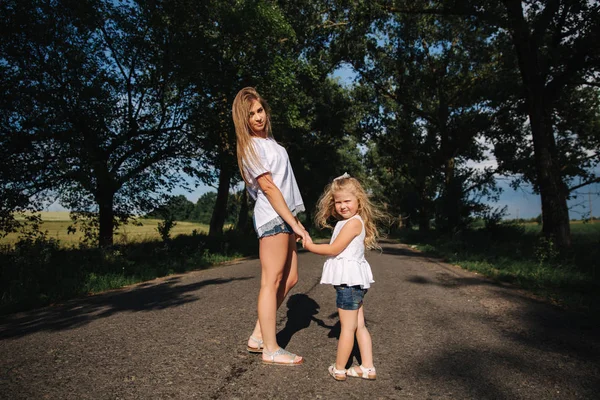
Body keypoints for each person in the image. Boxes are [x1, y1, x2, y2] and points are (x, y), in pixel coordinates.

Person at [232, 87, 311, 366]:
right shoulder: (251, 147)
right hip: (273, 217)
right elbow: (268, 187)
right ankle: (270, 348)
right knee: (271, 280)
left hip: (285, 216)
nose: (257, 117)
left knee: (290, 279)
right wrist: (293, 224)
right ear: (244, 120)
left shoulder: (272, 143)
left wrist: (296, 222)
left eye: (259, 110)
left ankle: (257, 336)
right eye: (251, 114)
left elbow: (286, 188)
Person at [302, 173, 382, 381]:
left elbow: (334, 249)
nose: (342, 206)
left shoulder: (353, 223)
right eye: (338, 202)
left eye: (347, 201)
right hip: (353, 282)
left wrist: (310, 246)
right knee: (358, 325)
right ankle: (367, 367)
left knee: (347, 327)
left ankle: (339, 368)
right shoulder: (346, 222)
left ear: (359, 201)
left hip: (349, 283)